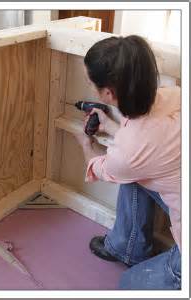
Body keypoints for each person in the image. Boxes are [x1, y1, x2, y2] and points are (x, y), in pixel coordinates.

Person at [72, 35, 181, 290]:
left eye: (89, 82)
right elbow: (149, 142)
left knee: (130, 285)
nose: (89, 86)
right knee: (134, 178)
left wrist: (85, 143)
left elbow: (102, 165)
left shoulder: (130, 152)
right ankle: (127, 248)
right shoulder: (173, 96)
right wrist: (111, 125)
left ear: (108, 93)